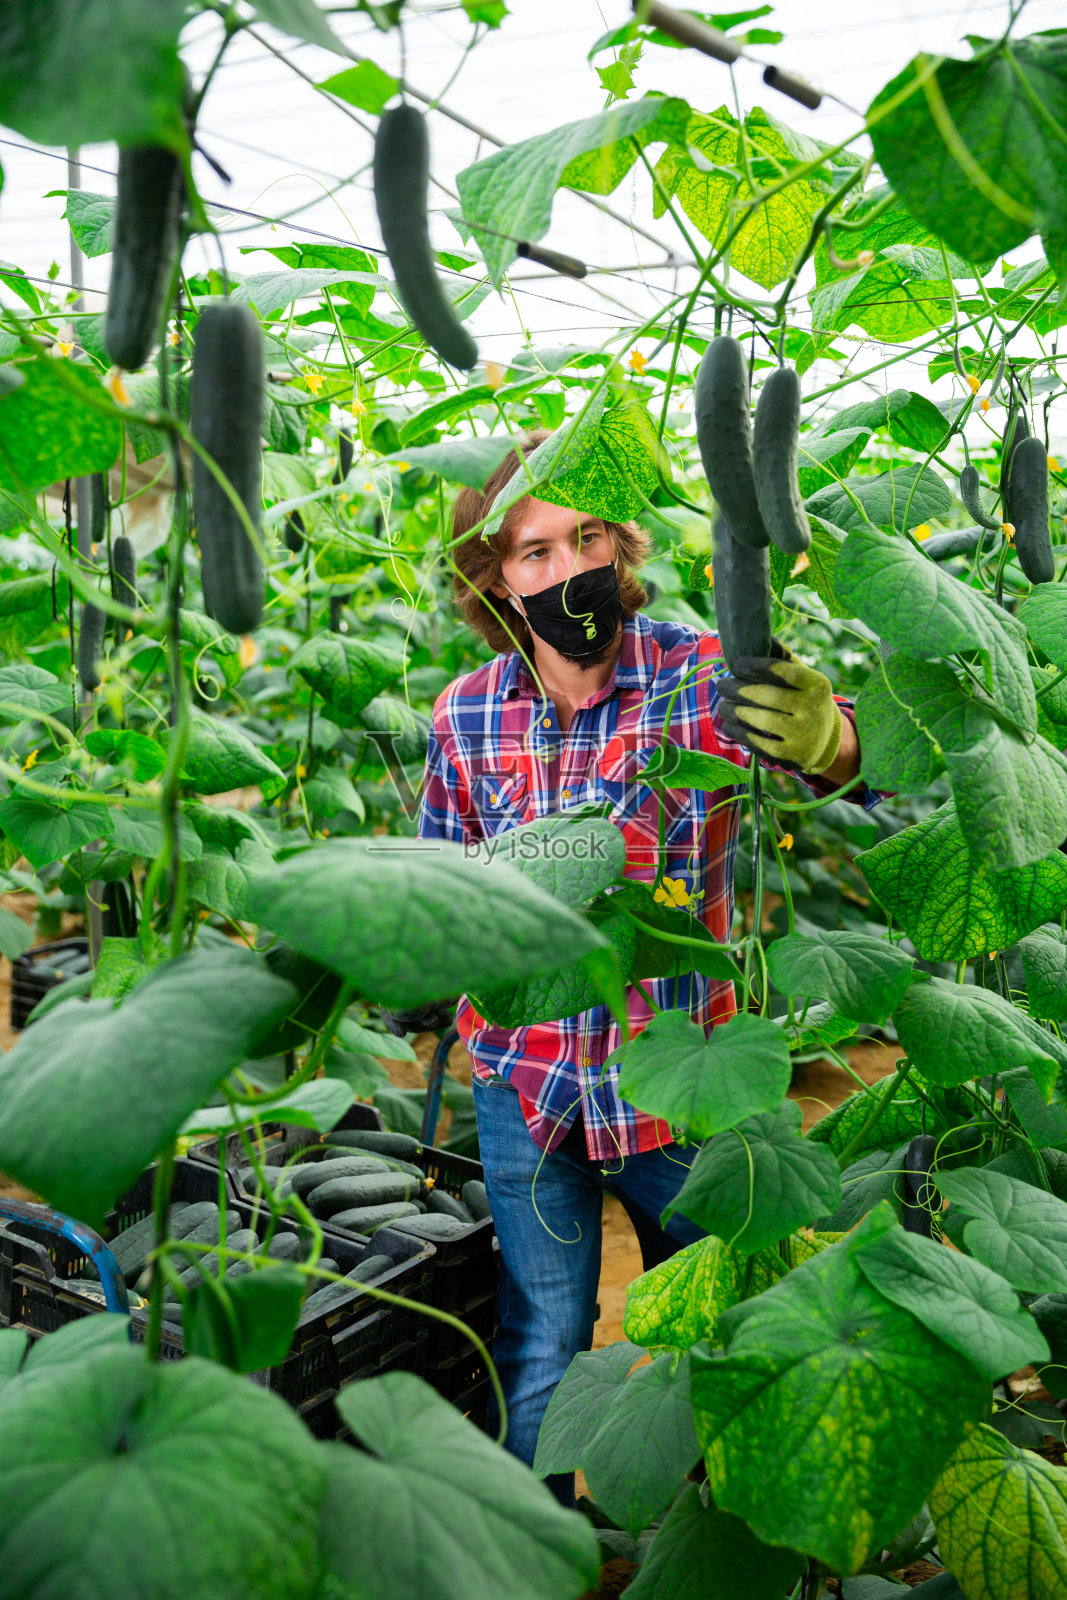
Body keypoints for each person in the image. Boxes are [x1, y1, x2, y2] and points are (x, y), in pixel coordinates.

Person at [395, 432, 882, 1504]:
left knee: (713, 1333)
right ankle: (530, 1558)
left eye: (585, 538)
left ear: (620, 547)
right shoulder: (465, 712)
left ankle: (699, 1534)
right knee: (541, 1348)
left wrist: (824, 739)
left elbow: (843, 757)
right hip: (527, 1085)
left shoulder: (699, 674)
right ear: (495, 579)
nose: (566, 570)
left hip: (680, 1084)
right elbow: (438, 890)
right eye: (532, 553)